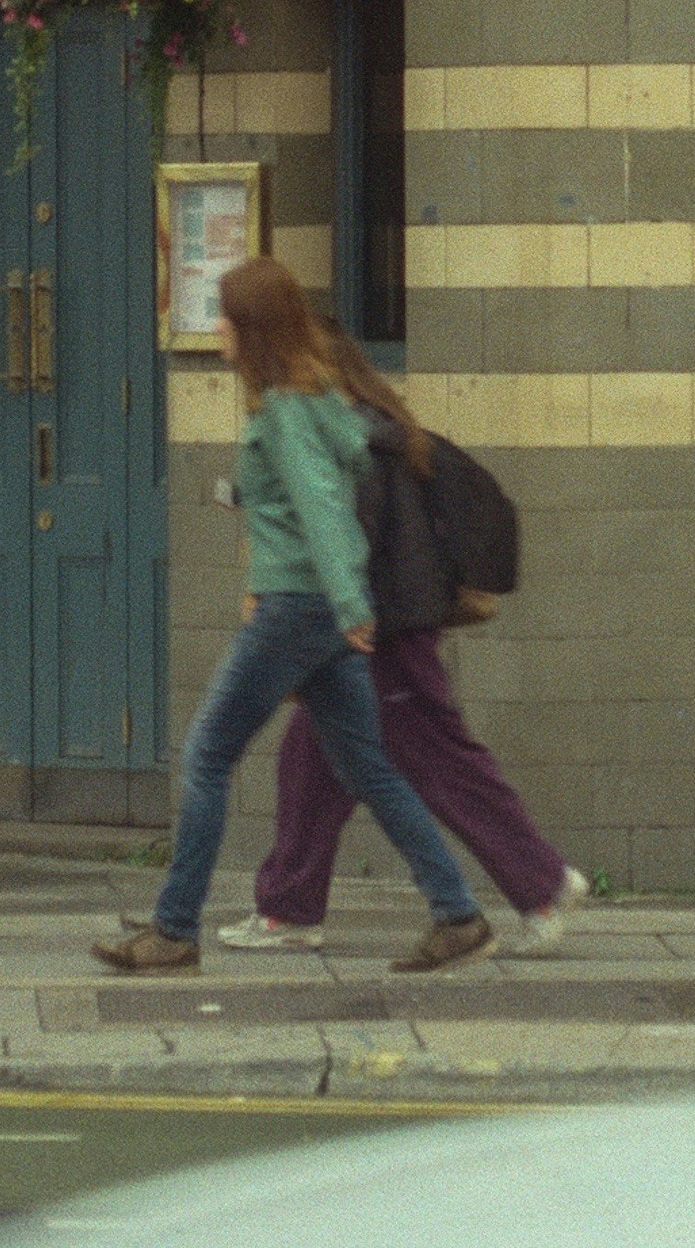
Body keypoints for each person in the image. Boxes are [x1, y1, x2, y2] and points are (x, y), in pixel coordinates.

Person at [97, 256, 492, 976]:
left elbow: (324, 511)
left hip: (302, 609)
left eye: (224, 315)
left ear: (251, 330)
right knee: (368, 766)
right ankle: (457, 913)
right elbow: (322, 490)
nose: (215, 326)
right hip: (314, 607)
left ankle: (175, 928)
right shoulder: (314, 400)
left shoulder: (284, 413)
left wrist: (348, 604)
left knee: (207, 754)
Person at [229, 487, 591, 952]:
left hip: (386, 633)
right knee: (312, 760)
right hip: (380, 625)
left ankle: (545, 887)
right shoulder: (379, 438)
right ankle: (288, 910)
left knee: (442, 763)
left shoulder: (360, 441)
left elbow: (347, 537)